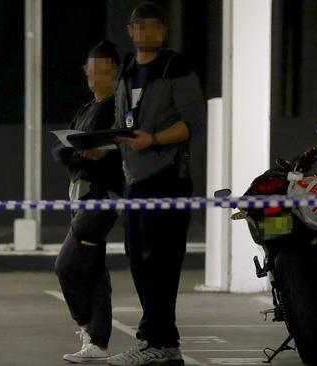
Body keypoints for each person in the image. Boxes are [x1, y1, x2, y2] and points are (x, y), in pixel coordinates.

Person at [104, 2, 206, 365]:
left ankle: (154, 342)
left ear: (162, 32)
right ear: (130, 31)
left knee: (160, 263)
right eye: (138, 26)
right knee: (140, 263)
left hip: (167, 179)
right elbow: (121, 121)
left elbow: (193, 123)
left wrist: (154, 140)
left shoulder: (175, 67)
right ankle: (163, 344)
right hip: (136, 182)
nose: (145, 31)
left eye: (153, 26)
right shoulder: (127, 72)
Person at [52, 40, 125, 364]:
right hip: (79, 196)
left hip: (101, 197)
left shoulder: (116, 110)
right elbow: (61, 151)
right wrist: (80, 155)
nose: (93, 77)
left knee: (67, 265)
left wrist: (88, 156)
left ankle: (85, 326)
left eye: (101, 71)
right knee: (94, 272)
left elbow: (117, 152)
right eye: (90, 70)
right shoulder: (85, 109)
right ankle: (98, 343)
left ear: (114, 73)